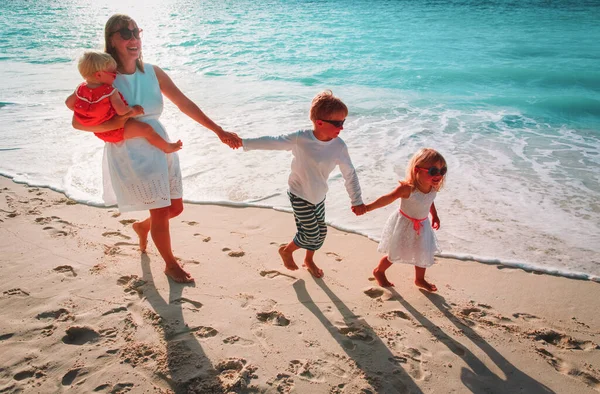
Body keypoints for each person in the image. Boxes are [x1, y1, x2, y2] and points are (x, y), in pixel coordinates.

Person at [69, 14, 242, 283]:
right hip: (130, 150)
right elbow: (80, 124)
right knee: (161, 210)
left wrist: (218, 130)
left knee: (175, 208)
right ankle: (170, 264)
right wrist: (123, 124)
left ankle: (142, 228)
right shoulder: (103, 79)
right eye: (124, 34)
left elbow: (184, 103)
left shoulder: (152, 71)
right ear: (111, 40)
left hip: (161, 144)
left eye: (135, 32)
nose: (133, 38)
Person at [241, 90, 367, 278]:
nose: (342, 128)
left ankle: (308, 260)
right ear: (320, 122)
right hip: (299, 194)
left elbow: (349, 174)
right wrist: (243, 142)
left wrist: (356, 200)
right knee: (310, 233)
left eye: (344, 122)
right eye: (338, 123)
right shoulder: (301, 138)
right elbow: (272, 142)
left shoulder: (339, 146)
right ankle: (286, 250)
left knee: (321, 232)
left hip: (319, 195)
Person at [66, 51, 182, 153]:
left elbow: (69, 103)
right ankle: (167, 147)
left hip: (99, 131)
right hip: (116, 130)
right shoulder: (109, 91)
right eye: (112, 73)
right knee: (147, 130)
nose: (115, 76)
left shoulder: (81, 89)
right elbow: (122, 111)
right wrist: (135, 110)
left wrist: (91, 113)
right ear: (99, 75)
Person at [365, 148, 446, 292]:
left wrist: (434, 215)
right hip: (405, 224)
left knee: (423, 251)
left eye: (442, 170)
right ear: (417, 170)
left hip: (422, 225)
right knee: (395, 252)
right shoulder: (408, 189)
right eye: (433, 171)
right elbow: (387, 199)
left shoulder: (432, 187)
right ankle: (379, 271)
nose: (438, 175)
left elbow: (429, 201)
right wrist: (367, 208)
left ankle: (419, 279)